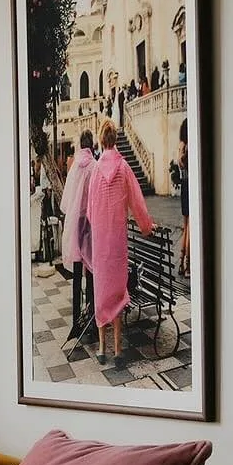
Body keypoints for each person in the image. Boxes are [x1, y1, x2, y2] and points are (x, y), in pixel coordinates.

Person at [84, 119, 154, 365]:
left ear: (101, 142)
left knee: (102, 292)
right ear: (115, 139)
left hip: (101, 243)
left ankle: (101, 348)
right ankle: (118, 349)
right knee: (117, 292)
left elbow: (91, 212)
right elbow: (137, 202)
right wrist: (146, 227)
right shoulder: (124, 168)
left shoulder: (94, 172)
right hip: (117, 243)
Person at [59, 129, 97, 339]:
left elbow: (66, 202)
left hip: (75, 224)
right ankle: (90, 318)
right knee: (90, 271)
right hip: (90, 225)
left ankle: (76, 321)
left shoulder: (74, 168)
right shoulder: (95, 166)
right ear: (91, 145)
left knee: (76, 273)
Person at [178, 117, 190, 279]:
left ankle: (181, 261)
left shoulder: (180, 146)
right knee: (189, 226)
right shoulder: (187, 147)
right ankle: (188, 264)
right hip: (189, 185)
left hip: (183, 186)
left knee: (185, 225)